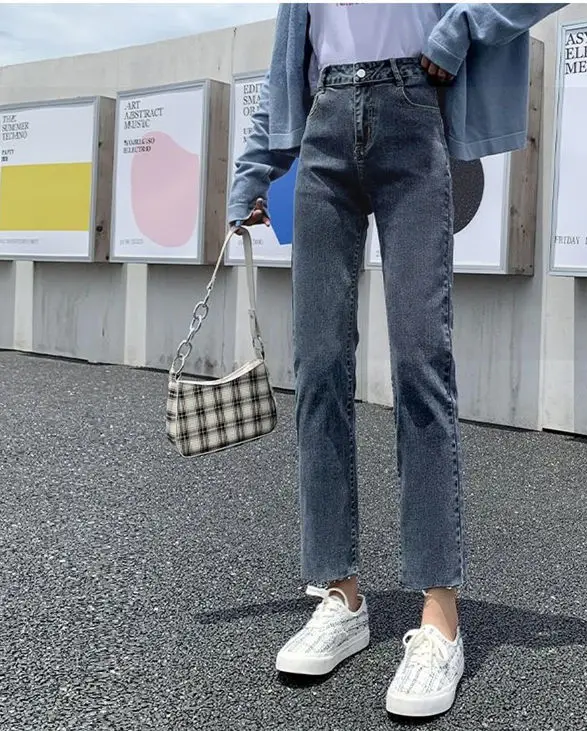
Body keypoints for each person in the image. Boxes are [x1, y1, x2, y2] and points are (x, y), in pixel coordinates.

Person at [228, 2, 565, 718]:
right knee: (318, 368)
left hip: (414, 111)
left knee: (420, 365)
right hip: (323, 126)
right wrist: (254, 169)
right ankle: (339, 594)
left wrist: (462, 26)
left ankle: (440, 618)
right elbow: (288, 61)